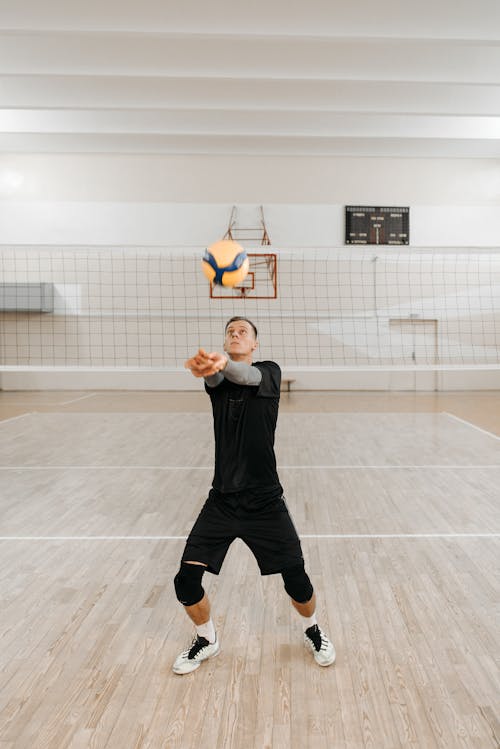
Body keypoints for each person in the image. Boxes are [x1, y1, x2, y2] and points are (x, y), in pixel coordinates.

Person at [172, 316, 335, 674]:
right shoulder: (218, 382)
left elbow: (243, 375)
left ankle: (313, 629)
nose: (235, 334)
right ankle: (207, 639)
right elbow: (216, 378)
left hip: (264, 502)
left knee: (297, 579)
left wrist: (221, 362)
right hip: (222, 501)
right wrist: (209, 368)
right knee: (185, 581)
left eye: (242, 331)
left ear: (255, 344)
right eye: (230, 331)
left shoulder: (268, 372)